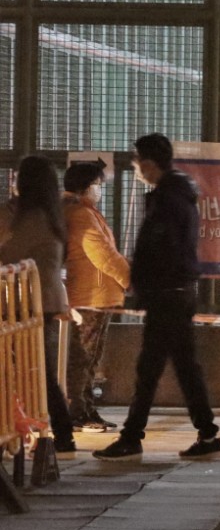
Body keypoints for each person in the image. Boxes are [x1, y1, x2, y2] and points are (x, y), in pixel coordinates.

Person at [93, 134, 220, 461]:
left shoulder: (168, 199)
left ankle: (132, 437)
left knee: (150, 370)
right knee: (183, 368)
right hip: (176, 293)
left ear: (148, 164)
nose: (136, 168)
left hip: (166, 295)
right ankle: (207, 434)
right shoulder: (177, 194)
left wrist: (144, 284)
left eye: (136, 162)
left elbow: (159, 249)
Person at [0, 156, 78, 457]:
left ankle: (53, 431)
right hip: (44, 302)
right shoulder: (52, 215)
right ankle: (60, 432)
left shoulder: (22, 218)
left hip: (22, 304)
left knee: (31, 369)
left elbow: (10, 253)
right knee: (39, 368)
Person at [61, 160, 129, 433]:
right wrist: (130, 279)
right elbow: (103, 255)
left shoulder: (80, 211)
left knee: (88, 357)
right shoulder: (81, 215)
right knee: (84, 357)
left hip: (92, 294)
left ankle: (86, 409)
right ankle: (77, 412)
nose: (100, 190)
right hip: (90, 296)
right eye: (98, 185)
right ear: (86, 186)